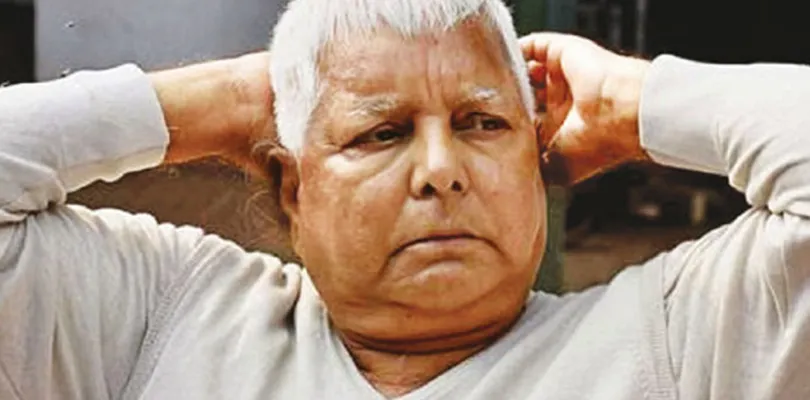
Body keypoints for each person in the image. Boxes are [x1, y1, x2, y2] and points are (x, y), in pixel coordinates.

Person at [1, 0, 809, 398]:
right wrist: (223, 98)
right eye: (380, 133)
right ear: (293, 187)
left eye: (483, 122)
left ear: (538, 161)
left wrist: (633, 100)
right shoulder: (163, 316)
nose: (441, 170)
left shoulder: (677, 340)